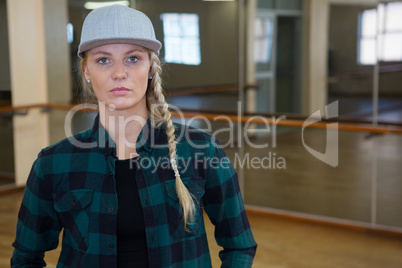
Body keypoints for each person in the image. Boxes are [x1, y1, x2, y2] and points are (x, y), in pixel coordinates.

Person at [11, 4, 257, 268]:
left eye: (133, 58)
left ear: (150, 67)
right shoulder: (53, 163)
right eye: (103, 59)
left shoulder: (200, 150)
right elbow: (26, 258)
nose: (119, 73)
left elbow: (239, 244)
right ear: (86, 71)